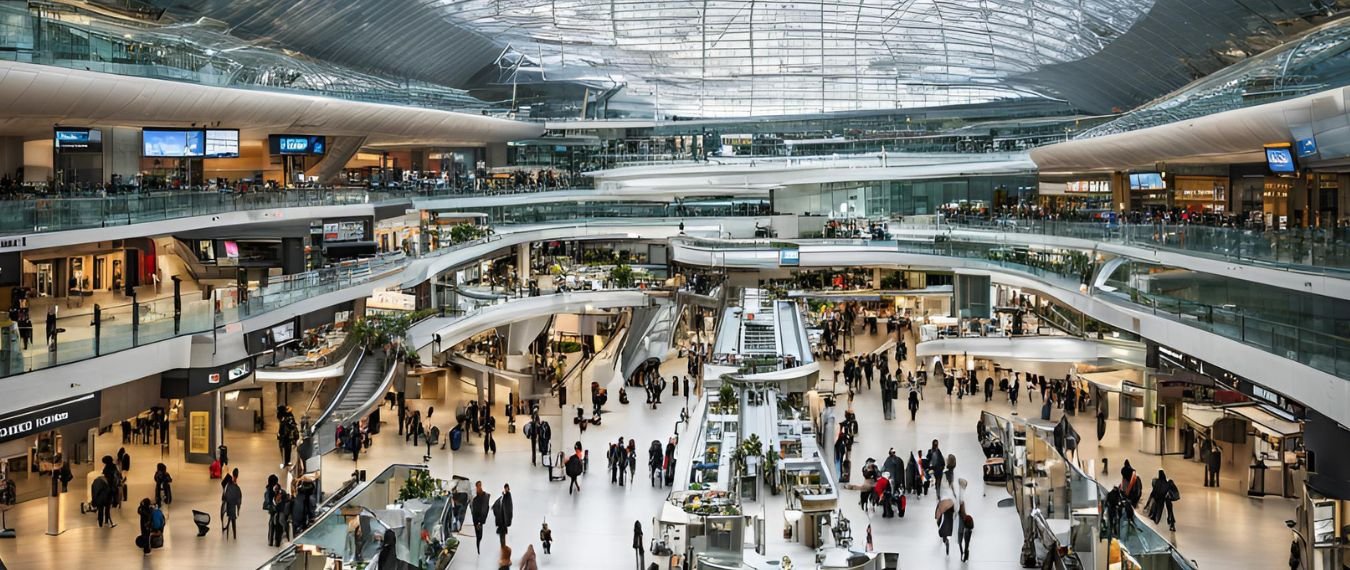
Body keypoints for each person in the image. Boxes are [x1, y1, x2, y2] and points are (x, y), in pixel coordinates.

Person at [471, 481, 490, 553]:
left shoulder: (484, 496)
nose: (478, 487)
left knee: (479, 535)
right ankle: (478, 547)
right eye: (477, 486)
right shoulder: (476, 497)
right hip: (476, 519)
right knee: (478, 535)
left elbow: (484, 509)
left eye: (479, 486)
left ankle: (478, 546)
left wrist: (480, 521)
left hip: (479, 519)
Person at [221, 474, 242, 539]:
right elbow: (239, 498)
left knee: (231, 519)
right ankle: (234, 535)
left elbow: (224, 498)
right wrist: (238, 509)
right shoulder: (236, 488)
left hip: (229, 506)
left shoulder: (228, 487)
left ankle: (227, 529)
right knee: (233, 520)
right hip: (231, 507)